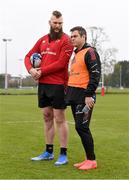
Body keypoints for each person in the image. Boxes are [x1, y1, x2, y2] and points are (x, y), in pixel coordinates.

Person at [24, 10, 73, 166]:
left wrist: (41, 71)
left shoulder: (66, 41)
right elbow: (28, 56)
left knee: (60, 118)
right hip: (43, 84)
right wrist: (31, 70)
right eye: (55, 22)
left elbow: (61, 63)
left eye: (60, 23)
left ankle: (63, 154)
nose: (57, 25)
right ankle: (48, 152)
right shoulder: (43, 40)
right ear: (50, 22)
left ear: (62, 24)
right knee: (46, 117)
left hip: (58, 84)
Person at [65, 26, 101, 170]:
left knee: (82, 127)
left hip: (84, 97)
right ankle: (87, 159)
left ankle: (92, 160)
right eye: (71, 36)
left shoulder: (90, 52)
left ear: (83, 36)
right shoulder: (76, 54)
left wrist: (88, 95)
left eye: (75, 36)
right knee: (79, 128)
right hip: (75, 97)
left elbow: (95, 74)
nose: (72, 38)